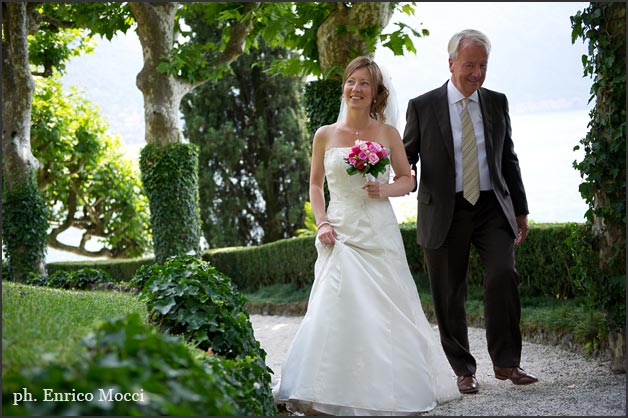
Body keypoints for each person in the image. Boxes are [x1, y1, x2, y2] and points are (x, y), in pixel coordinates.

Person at [274, 56, 460, 416]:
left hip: (377, 229)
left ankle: (385, 390)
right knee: (332, 304)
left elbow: (409, 179)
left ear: (376, 93)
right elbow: (315, 185)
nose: (355, 89)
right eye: (350, 82)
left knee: (387, 307)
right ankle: (323, 389)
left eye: (364, 84)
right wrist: (323, 222)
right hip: (340, 231)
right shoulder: (324, 134)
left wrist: (385, 189)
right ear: (343, 87)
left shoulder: (387, 133)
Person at [402, 29, 538, 395]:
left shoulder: (496, 102)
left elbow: (508, 158)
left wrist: (520, 210)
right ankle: (463, 369)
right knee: (449, 293)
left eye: (482, 66)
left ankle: (507, 362)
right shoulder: (423, 105)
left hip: (493, 206)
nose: (476, 73)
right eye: (469, 65)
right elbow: (407, 154)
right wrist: (400, 176)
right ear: (451, 64)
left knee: (503, 275)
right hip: (444, 209)